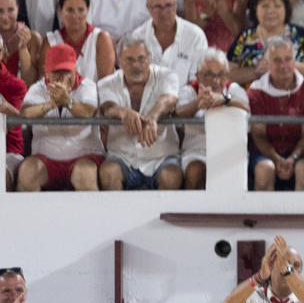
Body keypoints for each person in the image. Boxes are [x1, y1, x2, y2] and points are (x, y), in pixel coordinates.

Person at [97, 39, 181, 191]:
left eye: (141, 59)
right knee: (109, 172)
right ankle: (116, 216)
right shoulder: (106, 83)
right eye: (129, 60)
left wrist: (153, 118)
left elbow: (169, 99)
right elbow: (108, 107)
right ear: (119, 61)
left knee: (171, 176)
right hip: (122, 157)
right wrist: (124, 113)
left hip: (162, 157)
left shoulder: (167, 76)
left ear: (149, 59)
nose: (136, 65)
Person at [16, 44, 100, 192]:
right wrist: (49, 105)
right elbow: (25, 113)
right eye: (57, 72)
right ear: (47, 72)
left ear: (75, 69)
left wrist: (68, 102)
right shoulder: (38, 88)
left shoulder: (88, 86)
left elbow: (88, 111)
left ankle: (93, 215)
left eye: (67, 71)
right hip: (46, 157)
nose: (63, 77)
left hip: (83, 155)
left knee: (85, 174)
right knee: (28, 172)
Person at [247, 36, 304, 191]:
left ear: (295, 62)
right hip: (265, 152)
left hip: (301, 151)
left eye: (288, 59)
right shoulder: (255, 92)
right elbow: (258, 134)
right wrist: (277, 159)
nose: (283, 65)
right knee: (265, 169)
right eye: (277, 60)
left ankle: (302, 216)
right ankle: (261, 216)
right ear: (267, 64)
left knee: (303, 169)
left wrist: (293, 158)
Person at [174, 47, 250, 190]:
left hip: (229, 151)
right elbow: (178, 114)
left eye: (221, 75)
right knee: (195, 171)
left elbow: (246, 108)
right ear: (198, 76)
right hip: (197, 151)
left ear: (227, 76)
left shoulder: (234, 90)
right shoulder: (188, 91)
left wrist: (224, 99)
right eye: (209, 75)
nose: (216, 80)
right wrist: (198, 103)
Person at [227, 0, 304, 86]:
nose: (271, 11)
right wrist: (255, 72)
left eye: (277, 6)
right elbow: (228, 73)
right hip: (251, 97)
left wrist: (278, 65)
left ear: (285, 8)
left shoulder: (300, 34)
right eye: (265, 6)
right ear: (255, 9)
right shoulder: (244, 38)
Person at [125, 0, 209, 85]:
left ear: (176, 5)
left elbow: (197, 82)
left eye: (168, 5)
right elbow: (132, 80)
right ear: (148, 8)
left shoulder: (195, 36)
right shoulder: (137, 37)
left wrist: (170, 98)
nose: (164, 12)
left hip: (185, 99)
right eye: (158, 7)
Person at [224, 233, 304, 303]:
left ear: (300, 270)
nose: (290, 268)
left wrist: (286, 269)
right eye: (284, 262)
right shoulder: (257, 297)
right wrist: (259, 276)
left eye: (296, 265)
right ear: (271, 267)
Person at [39, 0, 115, 84]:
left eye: (81, 10)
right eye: (70, 10)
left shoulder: (101, 38)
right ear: (60, 11)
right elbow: (44, 81)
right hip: (57, 97)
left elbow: (106, 83)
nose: (75, 16)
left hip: (94, 98)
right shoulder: (50, 41)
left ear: (87, 10)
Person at [0, 0, 42, 86]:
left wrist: (23, 49)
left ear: (18, 9)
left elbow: (29, 84)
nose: (5, 16)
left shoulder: (33, 38)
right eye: (0, 11)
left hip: (22, 99)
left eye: (10, 10)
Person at [1, 60, 24, 192]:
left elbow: (14, 125)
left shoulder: (15, 84)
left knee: (1, 175)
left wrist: (5, 107)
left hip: (8, 151)